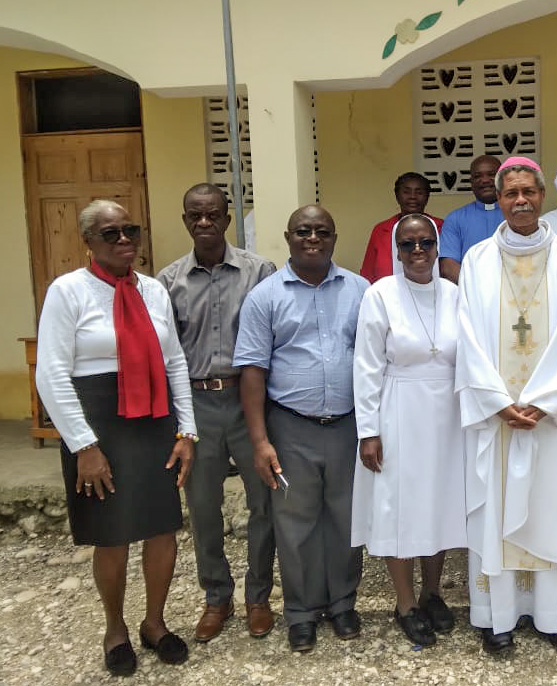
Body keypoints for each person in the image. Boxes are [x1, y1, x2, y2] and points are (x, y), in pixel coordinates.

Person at [36, 200, 196, 676]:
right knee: (112, 535)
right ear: (88, 240)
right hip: (99, 423)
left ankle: (155, 622)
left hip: (154, 419)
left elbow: (175, 363)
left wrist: (187, 429)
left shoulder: (152, 290)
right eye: (111, 233)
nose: (124, 240)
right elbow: (52, 375)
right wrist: (83, 446)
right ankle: (115, 629)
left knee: (162, 527)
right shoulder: (68, 291)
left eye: (131, 230)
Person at [457, 156, 557, 654]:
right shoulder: (476, 260)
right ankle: (499, 618)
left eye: (528, 192)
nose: (520, 201)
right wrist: (496, 401)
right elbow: (467, 336)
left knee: (552, 504)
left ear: (542, 196)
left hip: (548, 415)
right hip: (498, 417)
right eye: (511, 192)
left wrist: (545, 399)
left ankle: (554, 616)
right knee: (497, 509)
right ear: (500, 197)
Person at [233, 204, 368, 653]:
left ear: (334, 236)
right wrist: (259, 440)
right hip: (291, 426)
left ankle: (344, 603)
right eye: (304, 231)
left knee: (346, 519)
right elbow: (252, 370)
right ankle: (301, 613)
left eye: (322, 231)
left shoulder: (360, 290)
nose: (313, 238)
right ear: (288, 237)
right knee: (295, 523)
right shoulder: (265, 296)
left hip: (349, 425)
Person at [156, 183, 277, 643]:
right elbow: (167, 354)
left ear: (228, 218)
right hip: (195, 406)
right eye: (195, 216)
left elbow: (272, 339)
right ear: (185, 220)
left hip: (248, 402)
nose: (204, 223)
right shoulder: (168, 281)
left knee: (262, 501)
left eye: (212, 215)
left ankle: (258, 597)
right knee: (203, 507)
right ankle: (217, 597)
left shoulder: (258, 272)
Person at [352, 214, 467, 646]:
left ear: (437, 247)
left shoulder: (455, 294)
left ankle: (433, 592)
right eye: (408, 244)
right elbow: (366, 367)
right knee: (399, 505)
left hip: (448, 415)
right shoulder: (380, 294)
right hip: (398, 409)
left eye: (425, 243)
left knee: (436, 502)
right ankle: (405, 603)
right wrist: (369, 431)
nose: (417, 252)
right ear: (397, 251)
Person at [359, 172, 444, 283]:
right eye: (406, 192)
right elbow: (368, 274)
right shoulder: (381, 230)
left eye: (419, 192)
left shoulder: (441, 227)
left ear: (427, 196)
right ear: (397, 196)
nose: (412, 197)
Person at [439, 155, 504, 283]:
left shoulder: (516, 215)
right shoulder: (455, 218)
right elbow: (448, 266)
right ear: (471, 182)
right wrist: (476, 290)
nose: (484, 180)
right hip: (470, 295)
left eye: (491, 174)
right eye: (477, 176)